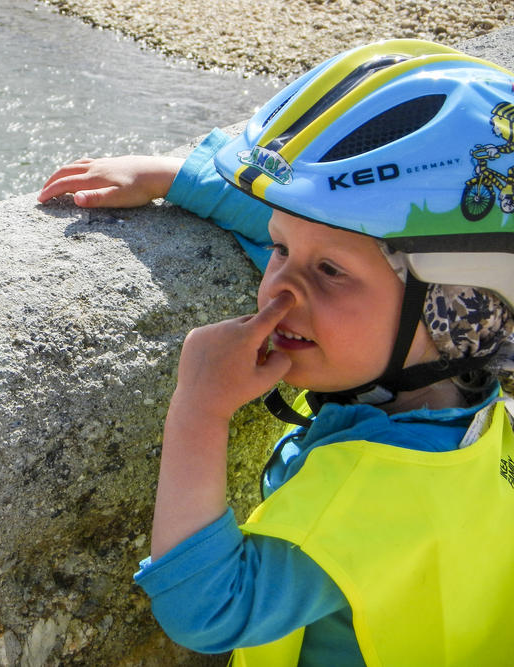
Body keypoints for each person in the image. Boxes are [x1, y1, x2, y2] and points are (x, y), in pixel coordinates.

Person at [39, 39, 514, 665]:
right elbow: (326, 231)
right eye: (279, 249)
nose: (280, 286)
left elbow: (209, 610)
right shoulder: (474, 395)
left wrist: (200, 410)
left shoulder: (371, 497)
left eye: (329, 272)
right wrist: (174, 176)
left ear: (452, 304)